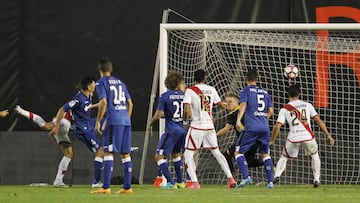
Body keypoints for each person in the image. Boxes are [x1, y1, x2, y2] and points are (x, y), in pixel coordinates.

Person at [270, 84, 335, 188]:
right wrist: (328, 135)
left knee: (284, 157)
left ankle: (277, 176)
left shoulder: (284, 109)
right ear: (299, 94)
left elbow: (277, 126)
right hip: (308, 137)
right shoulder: (307, 105)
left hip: (293, 138)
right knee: (314, 155)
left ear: (288, 95)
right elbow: (318, 120)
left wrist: (272, 140)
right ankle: (316, 179)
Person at [183, 69, 236, 189]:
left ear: (194, 79)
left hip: (197, 126)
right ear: (205, 79)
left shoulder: (190, 90)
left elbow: (186, 109)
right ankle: (230, 178)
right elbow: (221, 105)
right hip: (209, 126)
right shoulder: (211, 89)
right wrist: (228, 106)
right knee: (217, 152)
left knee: (188, 153)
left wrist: (185, 122)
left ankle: (195, 182)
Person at [49, 76, 104, 188]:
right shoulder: (78, 99)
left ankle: (121, 146)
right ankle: (96, 182)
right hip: (82, 129)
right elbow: (62, 109)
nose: (95, 86)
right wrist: (56, 126)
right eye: (93, 84)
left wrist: (96, 105)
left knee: (106, 122)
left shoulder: (89, 96)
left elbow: (85, 107)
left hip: (88, 125)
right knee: (100, 151)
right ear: (88, 86)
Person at [91, 57, 133, 194]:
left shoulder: (101, 82)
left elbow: (103, 102)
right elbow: (130, 103)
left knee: (108, 151)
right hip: (126, 120)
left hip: (114, 119)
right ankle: (127, 187)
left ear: (100, 70)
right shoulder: (121, 83)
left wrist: (98, 121)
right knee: (125, 153)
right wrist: (126, 117)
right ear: (111, 69)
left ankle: (106, 187)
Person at [14, 105, 74, 187]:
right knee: (45, 126)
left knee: (68, 154)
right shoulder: (80, 101)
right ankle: (21, 111)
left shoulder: (84, 102)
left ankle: (58, 181)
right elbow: (63, 110)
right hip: (63, 122)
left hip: (65, 126)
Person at [235, 69, 274, 189]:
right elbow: (271, 111)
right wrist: (262, 118)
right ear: (257, 79)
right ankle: (270, 182)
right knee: (265, 154)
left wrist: (238, 119)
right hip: (264, 127)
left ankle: (246, 177)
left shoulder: (245, 90)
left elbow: (243, 104)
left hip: (252, 127)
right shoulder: (265, 92)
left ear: (246, 79)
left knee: (238, 152)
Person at [147, 71, 187, 189]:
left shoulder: (164, 96)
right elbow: (187, 113)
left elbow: (158, 115)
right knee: (176, 154)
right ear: (178, 83)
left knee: (158, 157)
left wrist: (151, 123)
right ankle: (180, 182)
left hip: (171, 130)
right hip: (182, 130)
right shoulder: (185, 96)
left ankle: (170, 182)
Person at [216, 94, 264, 173]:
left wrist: (215, 135)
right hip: (256, 139)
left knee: (227, 154)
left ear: (238, 102)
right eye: (226, 102)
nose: (228, 103)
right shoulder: (246, 110)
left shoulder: (235, 113)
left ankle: (232, 178)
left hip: (246, 139)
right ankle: (268, 162)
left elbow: (226, 129)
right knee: (247, 162)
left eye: (230, 102)